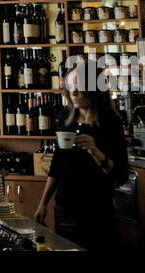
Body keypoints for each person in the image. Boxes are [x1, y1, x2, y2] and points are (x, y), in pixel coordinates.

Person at [34, 73, 128, 251]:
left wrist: (95, 151)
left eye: (79, 86)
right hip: (65, 208)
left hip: (97, 209)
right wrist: (43, 203)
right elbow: (58, 164)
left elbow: (120, 174)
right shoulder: (65, 117)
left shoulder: (110, 122)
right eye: (70, 86)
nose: (73, 92)